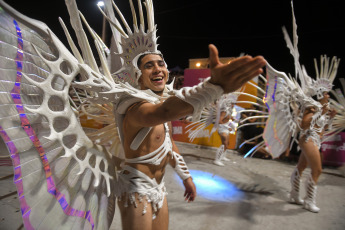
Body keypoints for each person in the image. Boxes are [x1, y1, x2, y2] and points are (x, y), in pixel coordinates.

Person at [115, 45, 266, 230]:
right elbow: (166, 110)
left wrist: (186, 178)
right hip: (135, 189)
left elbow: (169, 146)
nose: (157, 69)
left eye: (160, 64)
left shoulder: (160, 106)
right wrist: (213, 87)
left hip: (159, 188)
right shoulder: (135, 109)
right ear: (138, 76)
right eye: (148, 66)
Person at [289, 92, 336, 212]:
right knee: (317, 170)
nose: (328, 96)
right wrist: (321, 112)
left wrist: (330, 117)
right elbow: (304, 124)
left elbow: (323, 128)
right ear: (319, 95)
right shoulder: (311, 107)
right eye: (326, 93)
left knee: (301, 166)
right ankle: (309, 201)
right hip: (308, 138)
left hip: (316, 140)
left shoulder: (323, 109)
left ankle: (294, 195)